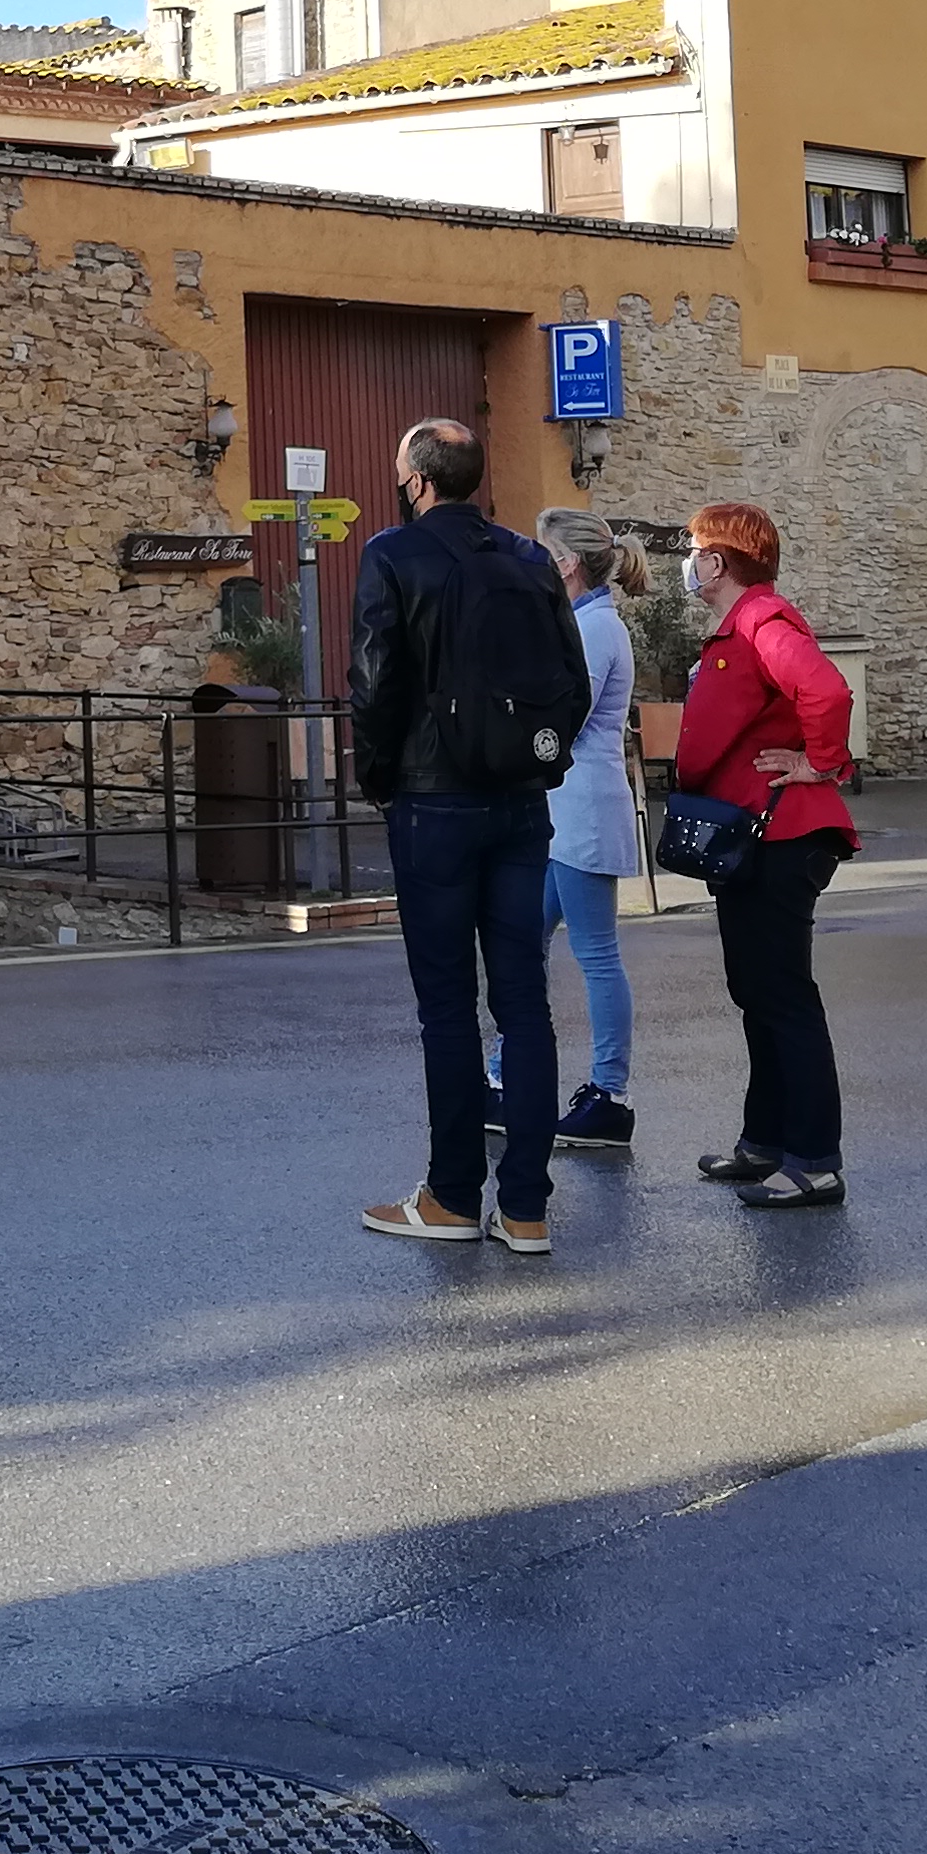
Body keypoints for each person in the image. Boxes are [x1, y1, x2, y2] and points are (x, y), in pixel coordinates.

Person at [347, 416, 594, 1255]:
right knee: (524, 1003)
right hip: (521, 801)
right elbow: (574, 681)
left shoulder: (393, 552)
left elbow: (374, 682)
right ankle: (526, 1208)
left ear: (418, 480)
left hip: (433, 800)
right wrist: (538, 763)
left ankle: (452, 1196)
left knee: (447, 1007)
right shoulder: (528, 559)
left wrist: (379, 776)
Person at [667, 499, 860, 1210]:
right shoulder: (743, 624)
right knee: (756, 990)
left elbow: (826, 687)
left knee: (781, 995)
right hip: (754, 832)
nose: (688, 562)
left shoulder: (761, 621)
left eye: (694, 550)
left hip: (780, 830)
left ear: (717, 562)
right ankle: (766, 1141)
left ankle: (813, 1159)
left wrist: (821, 761)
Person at [524, 510, 644, 1154]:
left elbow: (563, 717)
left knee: (595, 954)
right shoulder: (581, 621)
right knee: (525, 942)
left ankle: (609, 1094)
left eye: (545, 551)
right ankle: (506, 1071)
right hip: (560, 812)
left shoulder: (595, 627)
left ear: (566, 563)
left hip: (583, 810)